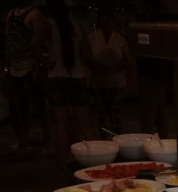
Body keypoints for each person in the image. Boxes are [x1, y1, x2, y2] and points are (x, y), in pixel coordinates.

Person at [44, 0, 95, 165]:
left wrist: (45, 61)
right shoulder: (77, 27)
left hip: (57, 76)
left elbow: (34, 45)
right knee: (85, 123)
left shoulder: (48, 26)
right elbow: (87, 54)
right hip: (77, 76)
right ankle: (96, 158)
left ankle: (63, 159)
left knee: (61, 124)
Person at [3, 0, 48, 149]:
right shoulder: (11, 15)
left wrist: (39, 64)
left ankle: (45, 139)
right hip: (15, 67)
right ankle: (24, 138)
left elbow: (39, 41)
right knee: (20, 106)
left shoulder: (35, 14)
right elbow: (9, 40)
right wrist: (7, 66)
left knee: (39, 105)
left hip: (30, 66)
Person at [88, 7, 132, 135]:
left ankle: (117, 139)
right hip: (97, 81)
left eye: (109, 19)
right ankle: (103, 140)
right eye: (104, 19)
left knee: (115, 115)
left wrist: (117, 67)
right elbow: (86, 58)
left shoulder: (120, 39)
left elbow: (128, 60)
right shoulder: (92, 38)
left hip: (116, 82)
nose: (106, 22)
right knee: (101, 115)